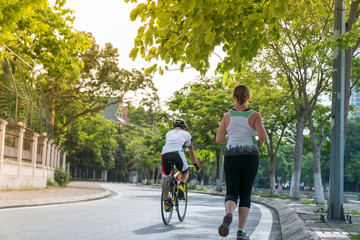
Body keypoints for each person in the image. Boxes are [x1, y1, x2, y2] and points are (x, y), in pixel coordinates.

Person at [216, 84, 267, 240]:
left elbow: (219, 140)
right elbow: (263, 137)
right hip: (250, 156)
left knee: (231, 192)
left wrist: (231, 137)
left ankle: (229, 213)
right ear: (248, 97)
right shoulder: (255, 115)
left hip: (232, 155)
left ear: (234, 97)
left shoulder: (227, 115)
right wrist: (257, 143)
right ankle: (241, 231)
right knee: (245, 194)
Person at [161, 119, 199, 209]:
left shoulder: (168, 133)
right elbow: (191, 151)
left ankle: (166, 201)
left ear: (174, 127)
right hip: (177, 153)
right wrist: (195, 164)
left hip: (165, 154)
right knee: (185, 172)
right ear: (184, 128)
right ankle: (181, 185)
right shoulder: (187, 134)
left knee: (166, 176)